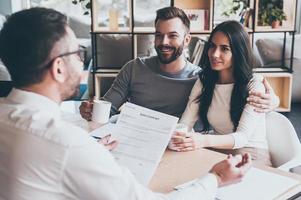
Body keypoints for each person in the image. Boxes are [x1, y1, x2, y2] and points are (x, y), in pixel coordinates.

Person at [0, 7, 252, 200]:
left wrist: (265, 95)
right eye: (78, 54)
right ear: (58, 68)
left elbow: (233, 87)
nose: (81, 62)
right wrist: (216, 178)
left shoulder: (202, 79)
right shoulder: (67, 144)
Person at [79, 6, 278, 122]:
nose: (164, 42)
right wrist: (89, 110)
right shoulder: (133, 68)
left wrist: (273, 102)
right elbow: (107, 109)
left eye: (172, 36)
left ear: (187, 40)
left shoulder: (202, 77)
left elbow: (237, 87)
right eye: (159, 35)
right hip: (136, 142)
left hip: (181, 148)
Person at [169, 21, 272, 166]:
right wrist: (179, 135)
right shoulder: (204, 81)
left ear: (238, 52)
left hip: (249, 154)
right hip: (216, 151)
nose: (215, 54)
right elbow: (186, 122)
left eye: (224, 49)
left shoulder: (254, 85)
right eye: (212, 46)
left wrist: (201, 140)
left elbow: (242, 138)